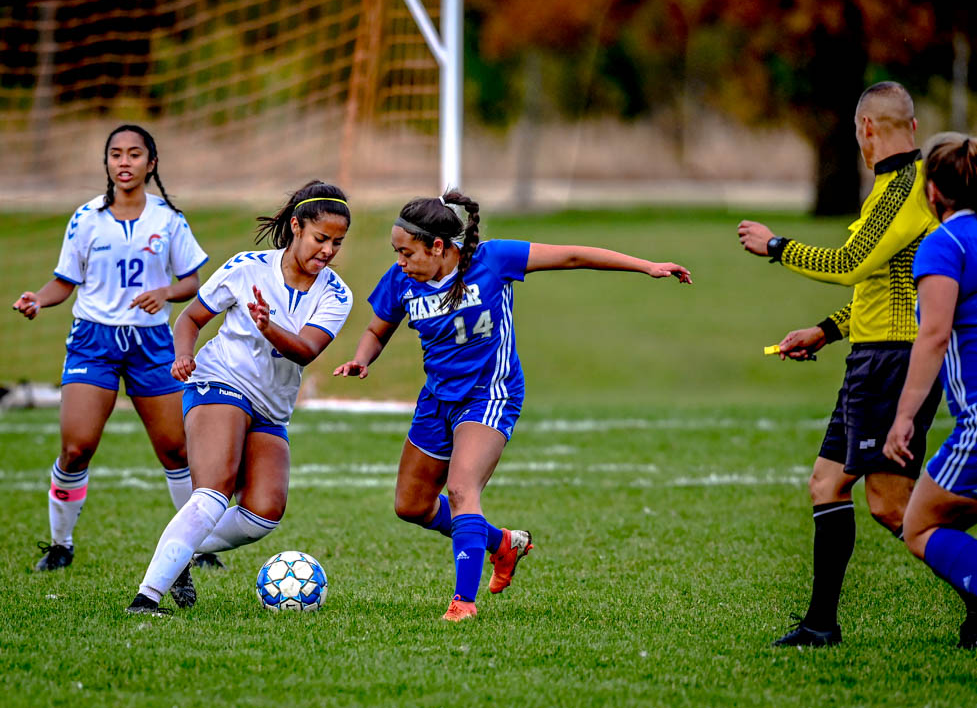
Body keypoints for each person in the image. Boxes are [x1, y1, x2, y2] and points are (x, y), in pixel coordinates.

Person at [334, 190, 691, 621]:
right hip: (437, 398)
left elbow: (573, 256)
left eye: (407, 252)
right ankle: (503, 544)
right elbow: (377, 329)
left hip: (491, 394)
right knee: (411, 506)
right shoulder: (402, 279)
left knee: (463, 489)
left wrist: (646, 266)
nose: (401, 261)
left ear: (439, 247)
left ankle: (463, 604)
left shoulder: (493, 260)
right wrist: (361, 358)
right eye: (397, 252)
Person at [737, 81, 945, 646]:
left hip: (892, 362)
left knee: (891, 505)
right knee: (827, 483)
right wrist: (827, 331)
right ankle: (821, 624)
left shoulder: (905, 187)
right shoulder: (899, 188)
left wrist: (777, 246)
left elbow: (852, 262)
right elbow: (879, 286)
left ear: (866, 131)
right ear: (913, 127)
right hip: (869, 356)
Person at [125, 181, 353, 615]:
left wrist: (269, 328)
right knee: (214, 491)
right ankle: (146, 599)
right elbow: (190, 319)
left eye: (337, 243)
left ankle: (181, 548)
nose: (328, 250)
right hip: (219, 381)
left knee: (264, 513)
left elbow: (305, 349)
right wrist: (183, 355)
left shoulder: (337, 294)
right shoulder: (245, 267)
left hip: (270, 407)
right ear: (296, 227)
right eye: (320, 238)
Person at [12, 124, 208, 573]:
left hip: (151, 342)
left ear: (151, 163)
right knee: (77, 447)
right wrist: (38, 299)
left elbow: (192, 282)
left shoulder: (169, 220)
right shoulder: (85, 218)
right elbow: (65, 282)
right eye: (116, 154)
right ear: (107, 163)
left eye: (135, 154)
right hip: (93, 341)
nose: (124, 162)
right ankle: (61, 544)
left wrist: (166, 292)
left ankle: (196, 545)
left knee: (177, 450)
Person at [884, 133, 977, 649]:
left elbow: (935, 334)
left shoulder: (947, 244)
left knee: (919, 525)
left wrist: (903, 418)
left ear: (933, 191)